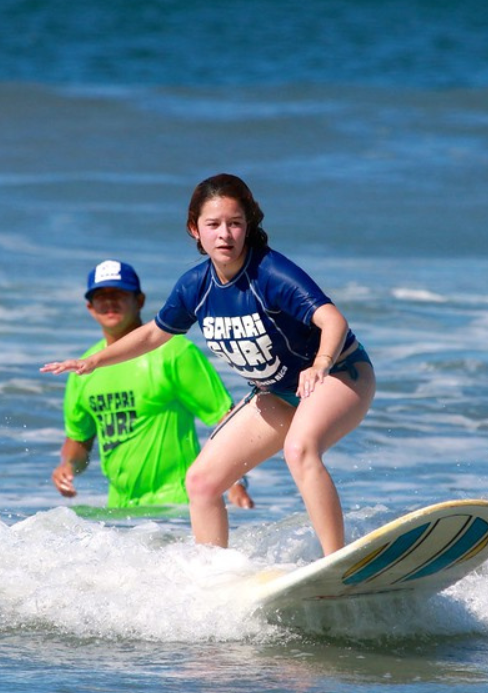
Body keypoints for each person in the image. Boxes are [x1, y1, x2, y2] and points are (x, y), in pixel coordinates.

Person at [43, 175, 375, 555]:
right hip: (277, 394)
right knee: (201, 481)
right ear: (194, 230)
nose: (225, 235)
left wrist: (320, 363)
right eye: (213, 225)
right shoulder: (195, 287)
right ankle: (213, 576)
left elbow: (332, 320)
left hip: (338, 376)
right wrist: (94, 362)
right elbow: (154, 334)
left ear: (248, 226)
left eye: (234, 223)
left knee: (299, 449)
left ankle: (338, 564)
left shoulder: (271, 274)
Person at [51, 258, 253, 512]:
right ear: (90, 307)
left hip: (177, 507)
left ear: (140, 300)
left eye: (119, 293)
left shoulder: (174, 352)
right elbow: (79, 443)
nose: (110, 302)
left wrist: (234, 480)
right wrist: (67, 467)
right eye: (101, 296)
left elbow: (227, 419)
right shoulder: (84, 370)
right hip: (120, 512)